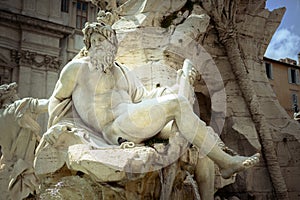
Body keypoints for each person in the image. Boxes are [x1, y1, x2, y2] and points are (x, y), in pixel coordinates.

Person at [45, 22, 259, 183]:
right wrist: (63, 128)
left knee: (186, 128)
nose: (99, 45)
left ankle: (219, 167)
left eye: (104, 40)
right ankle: (226, 162)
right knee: (176, 105)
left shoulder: (123, 71)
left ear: (113, 45)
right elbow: (57, 98)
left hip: (130, 119)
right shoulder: (78, 69)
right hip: (114, 129)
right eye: (95, 41)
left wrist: (173, 89)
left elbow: (143, 98)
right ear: (89, 45)